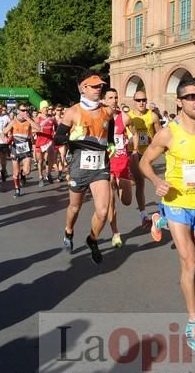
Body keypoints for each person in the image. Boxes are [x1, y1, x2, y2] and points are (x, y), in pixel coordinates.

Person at [139, 76, 195, 351]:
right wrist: (156, 182)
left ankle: (159, 220)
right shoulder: (168, 133)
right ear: (179, 102)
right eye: (190, 96)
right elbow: (144, 162)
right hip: (177, 203)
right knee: (189, 264)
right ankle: (193, 323)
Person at [54, 74, 113, 264]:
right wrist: (73, 138)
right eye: (94, 86)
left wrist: (111, 145)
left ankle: (92, 239)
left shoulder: (108, 111)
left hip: (100, 167)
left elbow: (109, 135)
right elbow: (58, 138)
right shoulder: (73, 112)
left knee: (103, 211)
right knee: (75, 207)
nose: (98, 89)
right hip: (79, 167)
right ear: (83, 88)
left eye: (100, 86)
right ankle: (68, 231)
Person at [103, 88, 138, 248]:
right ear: (104, 100)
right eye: (110, 97)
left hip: (123, 164)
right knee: (111, 202)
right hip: (107, 165)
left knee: (126, 201)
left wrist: (135, 150)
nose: (114, 100)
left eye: (116, 97)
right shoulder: (100, 118)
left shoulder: (124, 117)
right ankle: (115, 233)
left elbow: (135, 133)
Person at [128, 90, 162, 228]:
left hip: (147, 153)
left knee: (143, 181)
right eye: (138, 100)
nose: (141, 103)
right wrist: (129, 141)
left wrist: (152, 140)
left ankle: (123, 182)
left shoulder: (153, 116)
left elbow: (160, 135)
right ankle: (143, 215)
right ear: (134, 101)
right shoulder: (128, 116)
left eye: (144, 100)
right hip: (132, 153)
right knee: (141, 182)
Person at [3, 103, 41, 197]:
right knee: (15, 173)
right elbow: (4, 132)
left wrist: (28, 118)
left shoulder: (29, 121)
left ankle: (23, 174)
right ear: (18, 111)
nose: (25, 112)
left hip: (26, 149)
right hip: (15, 149)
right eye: (23, 110)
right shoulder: (14, 121)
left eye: (26, 110)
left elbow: (39, 128)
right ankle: (17, 189)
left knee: (27, 171)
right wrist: (4, 139)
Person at [34, 101, 56, 187]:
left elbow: (57, 127)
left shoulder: (51, 119)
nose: (46, 109)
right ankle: (40, 177)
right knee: (40, 161)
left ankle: (49, 173)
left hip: (49, 141)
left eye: (47, 107)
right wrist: (38, 129)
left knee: (50, 158)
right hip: (40, 142)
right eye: (44, 108)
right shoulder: (37, 119)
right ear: (40, 109)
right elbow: (31, 130)